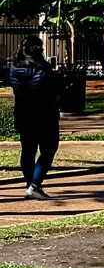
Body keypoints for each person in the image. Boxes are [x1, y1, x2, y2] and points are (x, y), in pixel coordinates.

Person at [8, 35, 60, 199]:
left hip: (24, 113)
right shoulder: (44, 70)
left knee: (28, 151)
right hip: (45, 115)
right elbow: (56, 91)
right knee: (49, 149)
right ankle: (35, 184)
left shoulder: (14, 69)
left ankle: (29, 184)